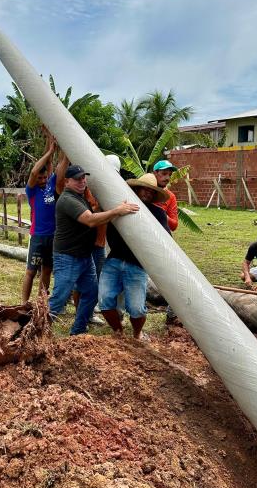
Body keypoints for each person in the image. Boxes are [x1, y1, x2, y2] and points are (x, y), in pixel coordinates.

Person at [48, 164, 139, 335]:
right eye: (77, 179)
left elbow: (92, 212)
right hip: (68, 257)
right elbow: (90, 220)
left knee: (91, 292)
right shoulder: (68, 199)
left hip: (84, 256)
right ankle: (35, 332)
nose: (82, 181)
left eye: (84, 177)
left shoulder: (79, 197)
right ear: (67, 182)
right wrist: (117, 211)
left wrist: (109, 207)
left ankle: (78, 330)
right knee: (59, 298)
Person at [99, 173, 169, 340]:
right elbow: (108, 226)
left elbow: (165, 240)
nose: (147, 193)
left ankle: (137, 334)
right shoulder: (122, 207)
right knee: (104, 299)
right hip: (114, 260)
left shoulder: (158, 214)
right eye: (144, 189)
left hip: (137, 265)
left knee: (136, 308)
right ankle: (119, 332)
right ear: (136, 189)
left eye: (151, 192)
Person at [22, 135, 57, 302]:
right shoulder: (32, 191)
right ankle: (24, 303)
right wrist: (49, 151)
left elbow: (51, 166)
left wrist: (51, 143)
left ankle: (40, 303)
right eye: (39, 178)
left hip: (52, 236)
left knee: (47, 270)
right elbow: (34, 171)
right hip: (37, 236)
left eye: (44, 178)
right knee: (31, 271)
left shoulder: (51, 186)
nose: (42, 180)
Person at [153, 159, 180, 324]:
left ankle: (171, 314)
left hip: (163, 242)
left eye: (169, 174)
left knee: (173, 277)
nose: (167, 177)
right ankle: (120, 313)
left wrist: (160, 212)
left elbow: (174, 224)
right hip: (140, 241)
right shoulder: (143, 192)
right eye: (163, 174)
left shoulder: (170, 196)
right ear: (155, 173)